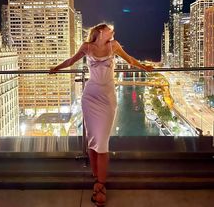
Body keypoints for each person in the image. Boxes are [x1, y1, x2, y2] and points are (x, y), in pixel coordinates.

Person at [49, 23, 153, 206]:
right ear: (100, 31)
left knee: (102, 142)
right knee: (92, 139)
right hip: (90, 96)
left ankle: (101, 184)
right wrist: (56, 68)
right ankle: (96, 177)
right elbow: (71, 61)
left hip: (107, 98)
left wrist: (144, 68)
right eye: (110, 30)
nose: (113, 32)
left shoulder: (114, 46)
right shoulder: (86, 47)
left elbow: (130, 60)